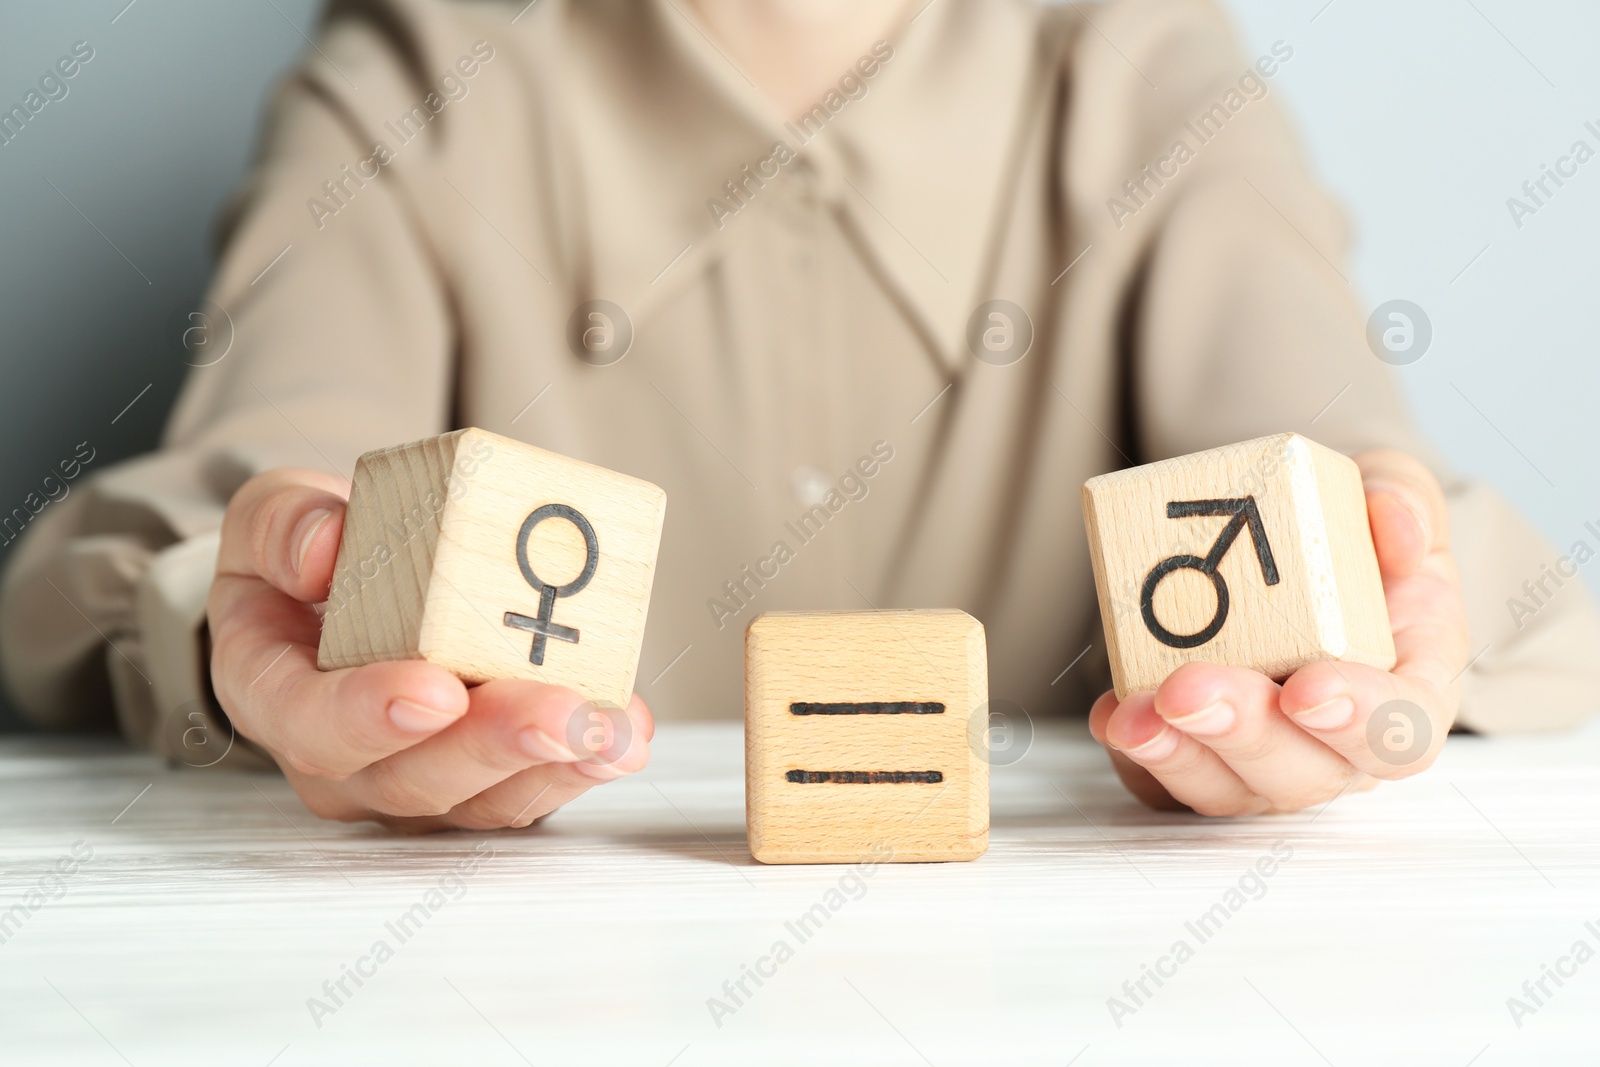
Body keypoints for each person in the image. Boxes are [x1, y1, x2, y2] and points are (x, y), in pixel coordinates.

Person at [3, 0, 1597, 829]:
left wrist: (1384, 585)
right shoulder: (413, 85)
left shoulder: (1153, 85)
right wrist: (246, 617)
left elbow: (1339, 481)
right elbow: (207, 519)